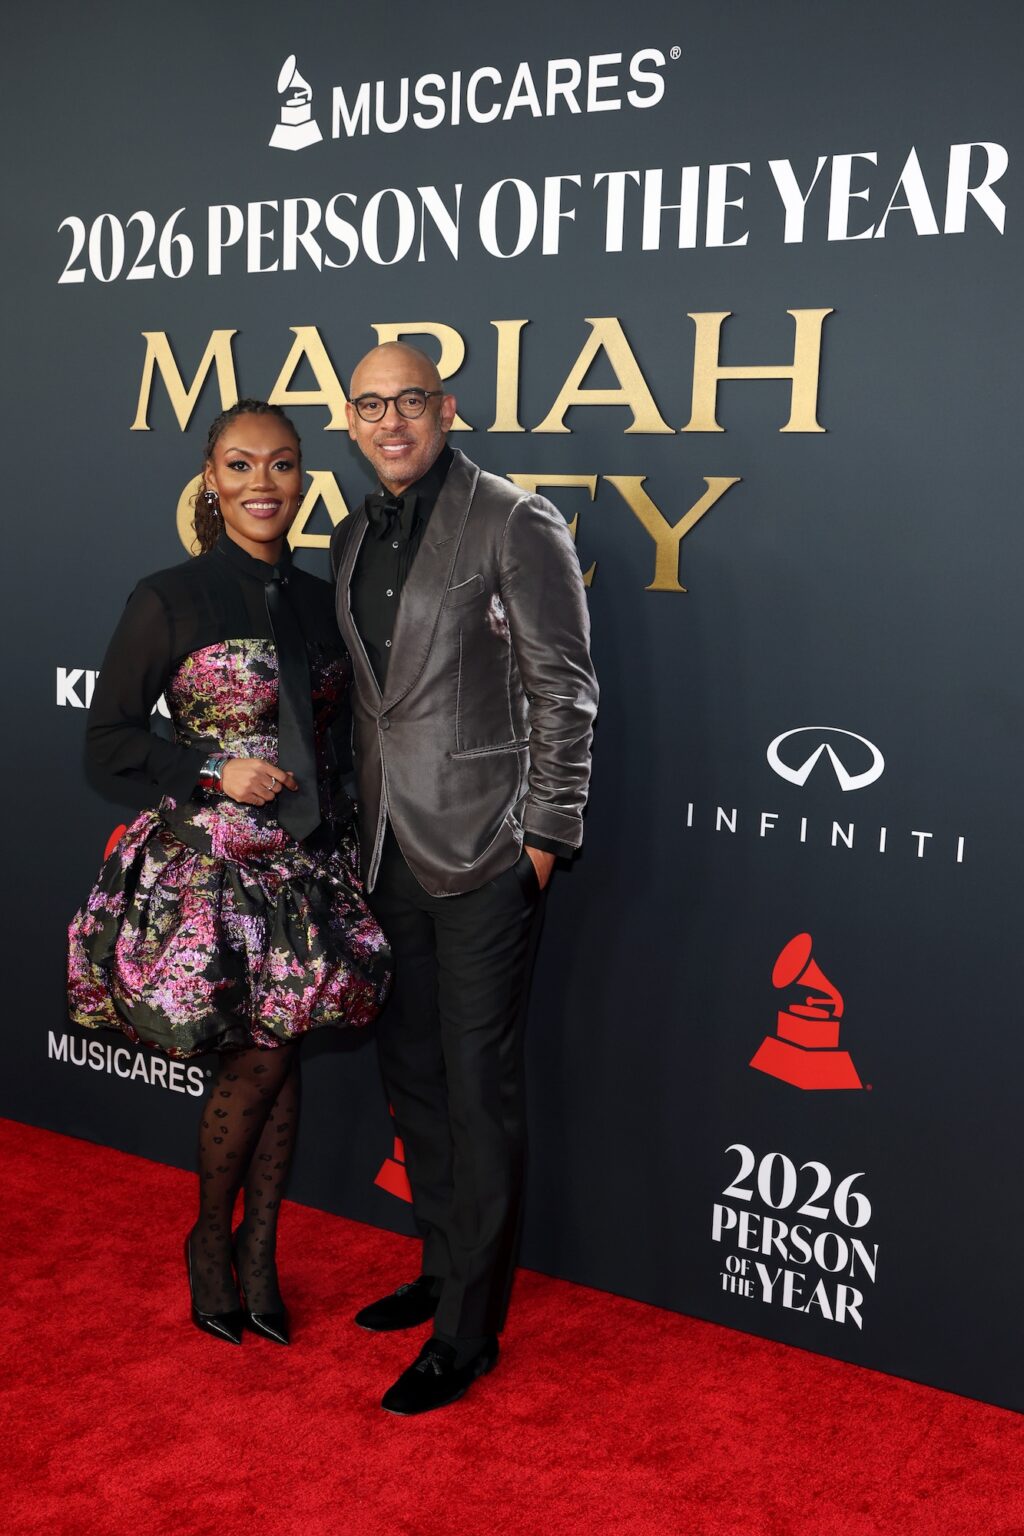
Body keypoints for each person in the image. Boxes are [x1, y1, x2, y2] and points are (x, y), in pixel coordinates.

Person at [68, 400, 391, 1348]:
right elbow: (107, 743)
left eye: (283, 465)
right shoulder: (168, 595)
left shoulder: (322, 598)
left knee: (280, 1048)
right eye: (242, 466)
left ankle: (257, 1255)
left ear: (302, 479)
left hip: (305, 866)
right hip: (213, 870)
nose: (263, 484)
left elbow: (340, 736)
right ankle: (215, 1244)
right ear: (212, 480)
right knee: (260, 1055)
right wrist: (212, 767)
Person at [332, 342, 598, 1414]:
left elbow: (563, 690)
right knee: (418, 1082)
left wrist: (545, 833)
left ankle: (468, 1332)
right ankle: (443, 1268)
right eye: (367, 405)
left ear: (444, 407)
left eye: (408, 401)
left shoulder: (512, 517)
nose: (389, 421)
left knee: (478, 1092)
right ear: (349, 419)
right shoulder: (354, 532)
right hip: (386, 853)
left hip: (488, 851)